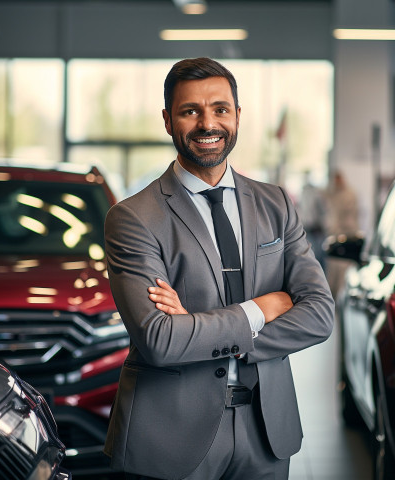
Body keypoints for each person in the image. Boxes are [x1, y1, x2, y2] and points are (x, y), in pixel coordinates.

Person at [104, 57, 334, 480]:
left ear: (238, 116)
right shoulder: (133, 218)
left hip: (266, 432)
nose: (207, 123)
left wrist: (194, 328)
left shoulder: (276, 204)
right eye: (190, 111)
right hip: (171, 435)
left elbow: (319, 315)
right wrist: (262, 309)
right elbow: (158, 339)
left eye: (220, 109)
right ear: (168, 120)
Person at [324, 170, 360, 298]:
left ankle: (340, 295)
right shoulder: (332, 194)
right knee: (332, 270)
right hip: (334, 235)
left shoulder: (349, 195)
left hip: (346, 236)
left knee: (343, 272)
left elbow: (351, 217)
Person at [296, 170, 327, 269]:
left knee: (319, 254)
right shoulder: (302, 192)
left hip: (316, 228)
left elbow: (321, 210)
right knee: (310, 254)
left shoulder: (316, 192)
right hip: (306, 227)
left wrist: (321, 223)